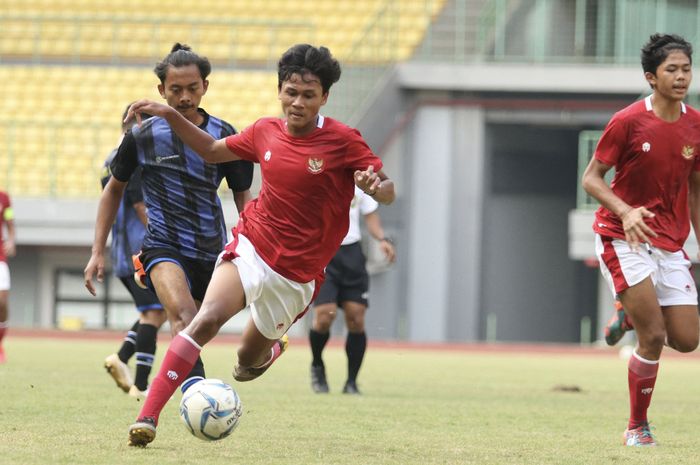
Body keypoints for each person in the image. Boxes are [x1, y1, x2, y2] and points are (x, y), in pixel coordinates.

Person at [122, 43, 395, 447]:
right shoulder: (264, 130)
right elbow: (214, 150)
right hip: (253, 244)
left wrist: (378, 186)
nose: (296, 102)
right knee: (205, 320)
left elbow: (385, 190)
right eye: (290, 92)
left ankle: (267, 352)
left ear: (324, 97)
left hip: (298, 276)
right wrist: (167, 114)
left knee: (244, 367)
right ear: (280, 90)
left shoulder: (342, 140)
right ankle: (148, 417)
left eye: (307, 95)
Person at [84, 43, 254, 403]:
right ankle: (200, 397)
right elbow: (113, 191)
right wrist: (97, 250)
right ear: (161, 91)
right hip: (162, 245)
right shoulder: (142, 137)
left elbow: (243, 196)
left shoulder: (225, 135)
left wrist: (254, 247)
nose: (185, 97)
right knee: (182, 316)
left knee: (199, 326)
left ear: (205, 86)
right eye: (175, 90)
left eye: (192, 88)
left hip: (212, 250)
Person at [581, 33, 700, 447]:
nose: (682, 76)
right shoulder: (628, 121)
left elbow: (697, 189)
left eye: (686, 68)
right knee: (653, 338)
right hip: (621, 236)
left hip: (669, 242)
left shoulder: (695, 124)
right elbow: (591, 178)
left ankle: (629, 312)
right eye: (672, 69)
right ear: (652, 77)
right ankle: (637, 427)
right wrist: (626, 210)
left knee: (686, 340)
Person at [102, 105, 167, 399]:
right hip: (138, 249)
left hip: (123, 248)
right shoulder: (133, 156)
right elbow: (140, 205)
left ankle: (122, 358)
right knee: (155, 314)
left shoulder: (111, 158)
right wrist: (162, 235)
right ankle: (141, 386)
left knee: (157, 312)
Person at [309, 186, 395, 395]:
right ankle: (317, 365)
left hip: (352, 254)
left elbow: (370, 216)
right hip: (324, 251)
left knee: (356, 318)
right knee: (324, 316)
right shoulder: (319, 172)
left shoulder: (360, 177)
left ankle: (351, 382)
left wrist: (382, 239)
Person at [0, 190, 16, 364]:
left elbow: (10, 223)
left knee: (2, 301)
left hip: (0, 257)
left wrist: (11, 240)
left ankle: (0, 344)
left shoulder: (4, 198)